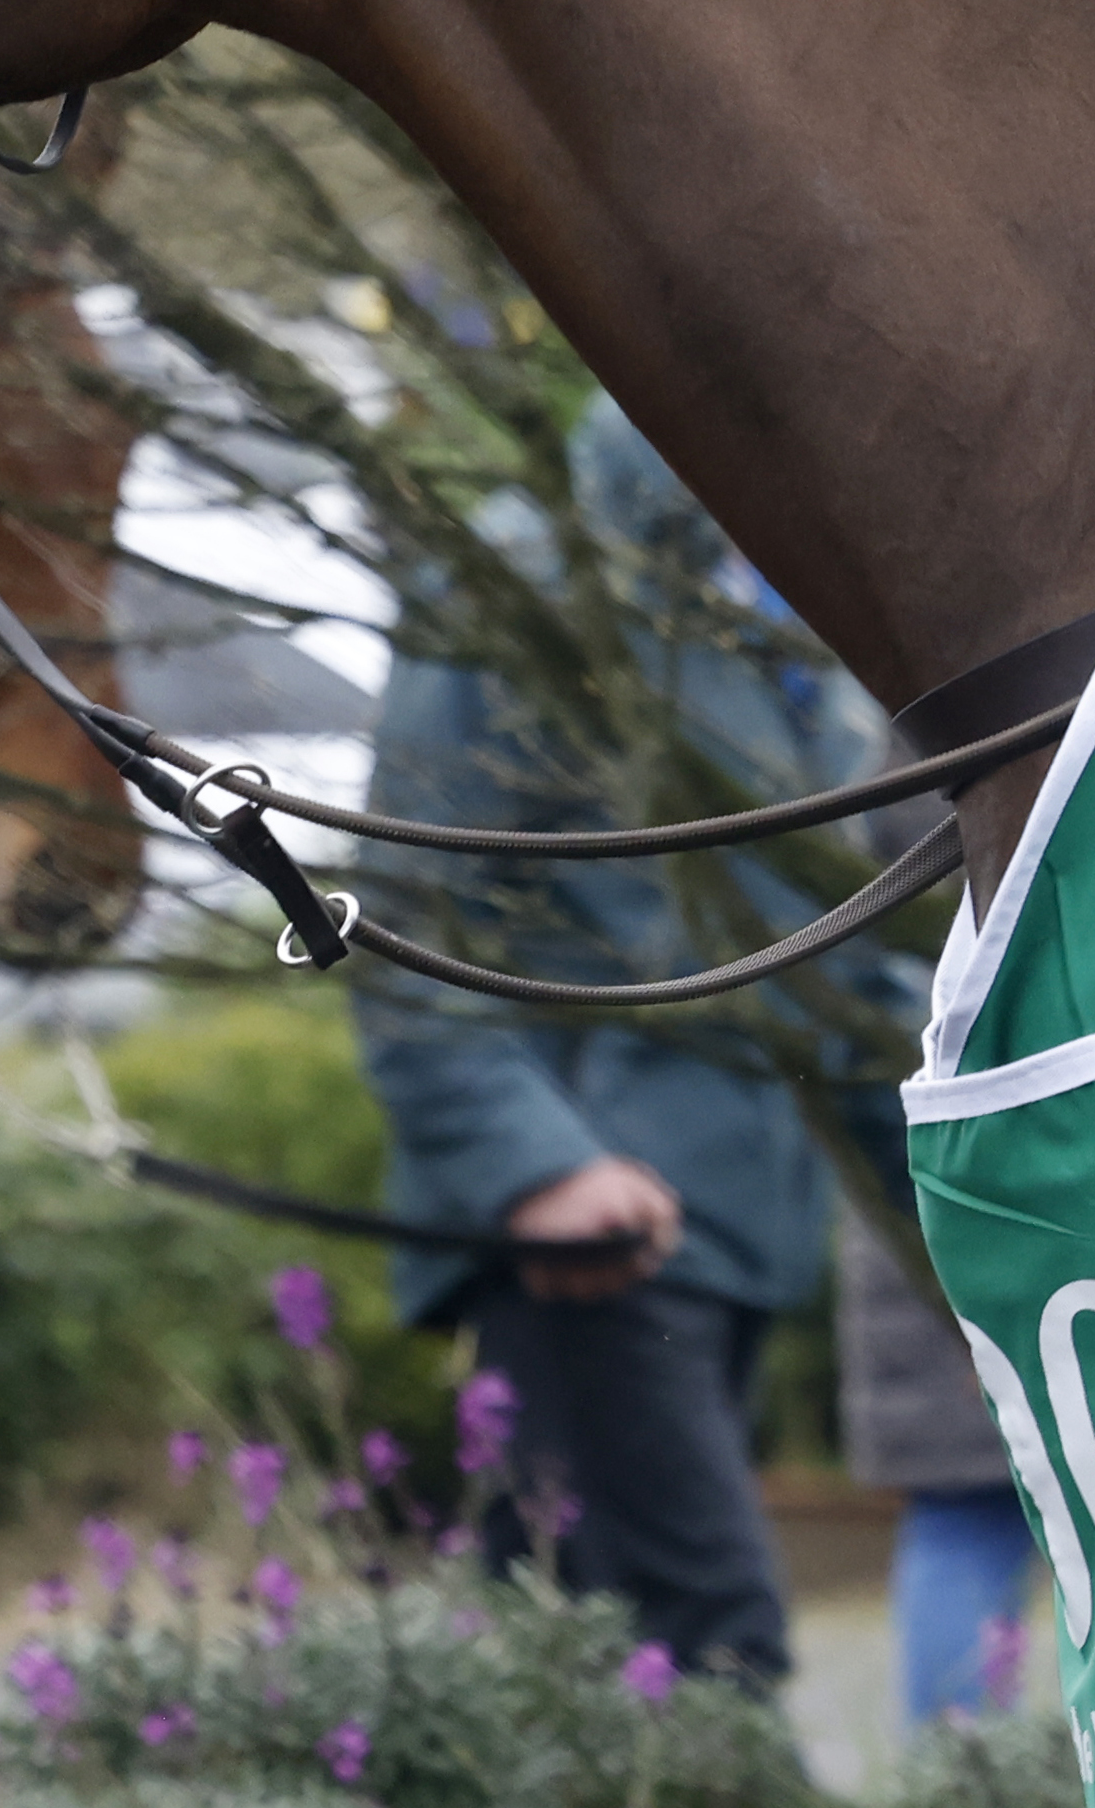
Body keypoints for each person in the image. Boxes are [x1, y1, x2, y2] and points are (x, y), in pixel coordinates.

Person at [349, 408, 854, 1684]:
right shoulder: (525, 582)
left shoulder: (766, 588)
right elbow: (409, 910)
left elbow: (835, 943)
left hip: (733, 1217)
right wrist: (531, 1169)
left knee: (594, 1674)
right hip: (597, 1227)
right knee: (699, 1646)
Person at [839, 1194, 1043, 1721]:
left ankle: (961, 1779)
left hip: (922, 1251)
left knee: (964, 1526)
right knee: (968, 1525)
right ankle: (969, 1776)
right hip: (966, 1250)